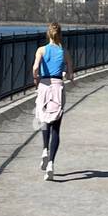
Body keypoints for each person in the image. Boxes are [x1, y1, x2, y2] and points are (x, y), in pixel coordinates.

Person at [32, 22, 75, 181]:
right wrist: (67, 75)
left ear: (48, 34)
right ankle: (50, 164)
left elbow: (35, 68)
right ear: (60, 35)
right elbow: (70, 75)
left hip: (44, 85)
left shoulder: (41, 50)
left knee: (44, 120)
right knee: (56, 126)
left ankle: (44, 149)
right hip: (57, 86)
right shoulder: (65, 52)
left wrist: (36, 79)